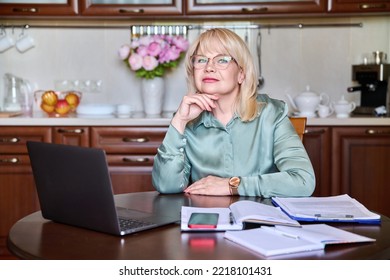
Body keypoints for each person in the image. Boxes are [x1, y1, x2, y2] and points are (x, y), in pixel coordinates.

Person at [152, 28, 315, 197]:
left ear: (241, 74)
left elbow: (303, 181)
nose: (209, 67)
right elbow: (166, 185)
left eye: (222, 60)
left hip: (259, 218)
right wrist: (179, 121)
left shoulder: (272, 113)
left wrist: (232, 185)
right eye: (201, 60)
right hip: (205, 219)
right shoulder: (186, 119)